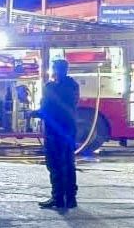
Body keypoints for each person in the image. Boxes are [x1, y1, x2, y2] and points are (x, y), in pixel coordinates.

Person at [35, 58, 79, 210]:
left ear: (55, 70)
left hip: (54, 132)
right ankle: (71, 199)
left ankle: (58, 198)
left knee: (54, 164)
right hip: (69, 130)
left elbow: (47, 110)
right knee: (68, 163)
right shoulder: (73, 85)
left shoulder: (51, 87)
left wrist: (33, 113)